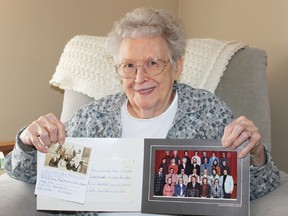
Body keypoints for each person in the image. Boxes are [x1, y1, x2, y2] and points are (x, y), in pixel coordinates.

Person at [4, 7, 280, 215]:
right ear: (118, 69)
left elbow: (258, 188)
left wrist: (255, 155)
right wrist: (29, 143)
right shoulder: (92, 118)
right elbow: (28, 175)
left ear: (177, 66)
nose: (140, 77)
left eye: (152, 63)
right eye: (129, 65)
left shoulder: (208, 111)